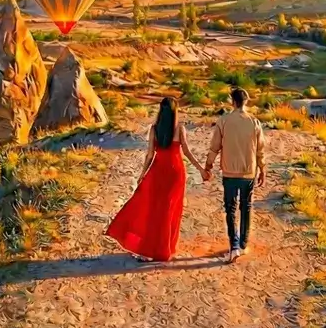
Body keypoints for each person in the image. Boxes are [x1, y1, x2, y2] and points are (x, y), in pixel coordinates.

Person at [106, 96, 205, 262]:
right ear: (175, 112)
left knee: (153, 210)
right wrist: (201, 169)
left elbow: (150, 155)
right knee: (170, 211)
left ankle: (149, 249)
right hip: (175, 173)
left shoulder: (154, 129)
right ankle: (165, 249)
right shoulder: (180, 129)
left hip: (157, 171)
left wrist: (142, 174)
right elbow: (187, 152)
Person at [203, 87, 266, 263]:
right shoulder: (254, 122)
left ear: (233, 101)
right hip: (249, 172)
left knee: (230, 208)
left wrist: (208, 166)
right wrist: (262, 169)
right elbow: (260, 150)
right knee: (246, 207)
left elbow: (214, 147)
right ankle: (244, 244)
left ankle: (234, 247)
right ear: (246, 102)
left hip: (230, 173)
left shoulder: (224, 121)